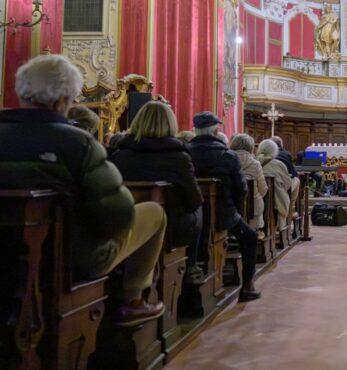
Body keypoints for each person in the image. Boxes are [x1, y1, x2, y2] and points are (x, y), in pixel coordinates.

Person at [0, 54, 165, 325]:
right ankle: (133, 300)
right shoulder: (77, 143)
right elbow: (119, 213)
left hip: (6, 256)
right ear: (63, 100)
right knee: (154, 213)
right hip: (68, 259)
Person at [109, 101, 205, 283]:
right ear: (171, 124)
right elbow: (193, 200)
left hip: (124, 226)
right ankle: (191, 265)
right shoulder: (179, 157)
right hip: (171, 228)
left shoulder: (119, 155)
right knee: (199, 207)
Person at [188, 112, 260, 302]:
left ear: (195, 130)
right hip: (223, 214)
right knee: (250, 237)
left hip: (191, 215)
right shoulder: (228, 155)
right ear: (215, 130)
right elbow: (241, 190)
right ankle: (247, 287)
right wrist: (236, 213)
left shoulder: (185, 152)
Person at [231, 133, 268, 239]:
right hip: (253, 212)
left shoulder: (226, 160)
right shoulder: (255, 164)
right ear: (251, 147)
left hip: (231, 211)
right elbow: (263, 190)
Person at [256, 138, 296, 229]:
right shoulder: (279, 164)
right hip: (276, 201)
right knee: (284, 194)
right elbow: (288, 183)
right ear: (274, 151)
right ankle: (281, 225)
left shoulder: (255, 162)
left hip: (256, 201)